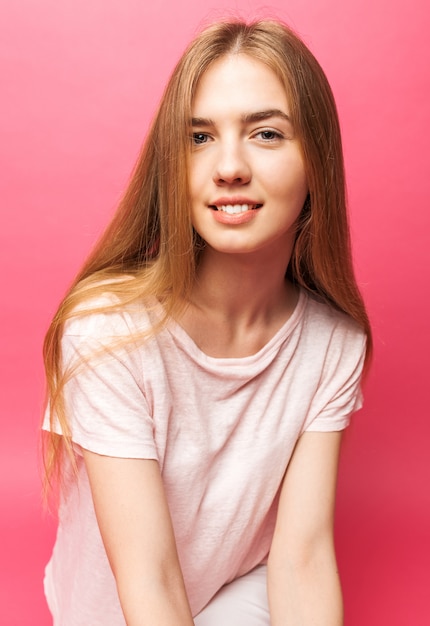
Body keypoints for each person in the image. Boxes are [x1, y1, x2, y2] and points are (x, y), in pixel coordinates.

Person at [42, 18, 372, 626]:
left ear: (317, 160)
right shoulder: (106, 331)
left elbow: (301, 555)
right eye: (199, 137)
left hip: (233, 589)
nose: (228, 167)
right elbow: (149, 577)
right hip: (118, 608)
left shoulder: (334, 344)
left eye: (266, 133)